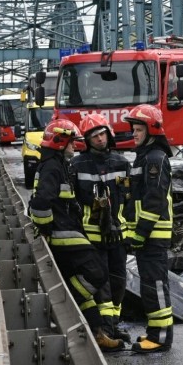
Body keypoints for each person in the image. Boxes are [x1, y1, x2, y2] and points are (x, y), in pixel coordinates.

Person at [29, 119, 124, 353]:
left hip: (66, 232)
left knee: (84, 285)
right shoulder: (52, 167)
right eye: (72, 141)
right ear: (61, 142)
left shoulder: (57, 164)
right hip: (64, 235)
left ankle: (97, 333)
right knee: (97, 273)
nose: (75, 146)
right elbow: (40, 203)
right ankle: (63, 301)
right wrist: (46, 230)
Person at [70, 114, 132, 344]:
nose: (99, 139)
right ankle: (103, 332)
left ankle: (114, 327)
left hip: (119, 235)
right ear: (86, 140)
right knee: (102, 284)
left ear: (109, 134)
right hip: (92, 237)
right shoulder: (76, 165)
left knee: (119, 282)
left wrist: (130, 233)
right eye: (94, 136)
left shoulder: (121, 163)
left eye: (102, 134)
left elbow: (130, 199)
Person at [123, 104, 174, 354]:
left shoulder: (155, 158)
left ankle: (161, 337)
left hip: (153, 236)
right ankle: (155, 332)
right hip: (147, 236)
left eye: (138, 129)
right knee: (150, 287)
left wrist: (140, 233)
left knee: (156, 287)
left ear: (151, 129)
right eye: (133, 129)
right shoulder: (144, 157)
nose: (134, 133)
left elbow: (154, 199)